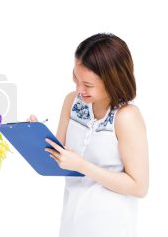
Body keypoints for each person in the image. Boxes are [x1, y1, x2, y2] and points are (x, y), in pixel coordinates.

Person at [33, 33, 149, 237]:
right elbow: (58, 160)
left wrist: (83, 166)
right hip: (71, 223)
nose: (79, 89)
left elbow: (139, 187)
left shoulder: (126, 117)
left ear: (113, 80)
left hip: (110, 227)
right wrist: (35, 137)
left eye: (88, 85)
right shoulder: (72, 102)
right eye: (75, 79)